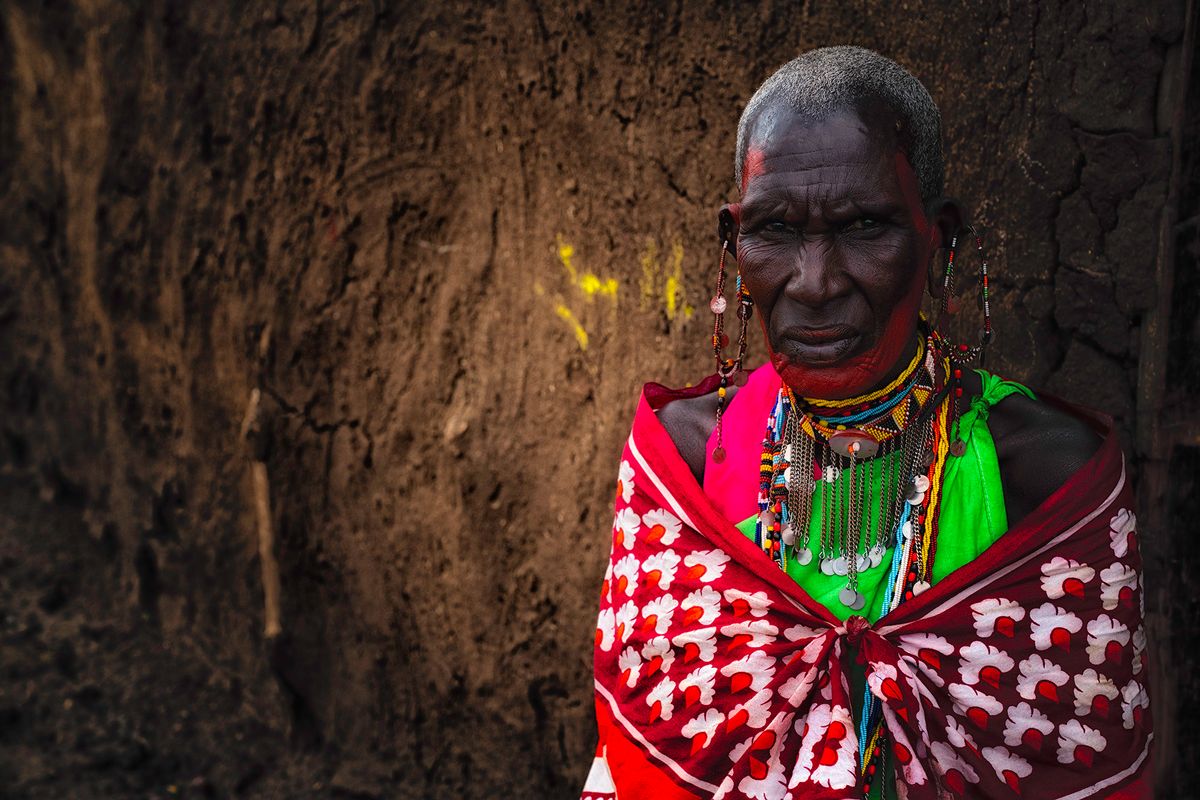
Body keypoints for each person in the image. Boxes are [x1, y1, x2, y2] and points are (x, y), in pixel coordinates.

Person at [581, 47, 1152, 800]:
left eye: (864, 226)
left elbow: (1088, 769)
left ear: (939, 236)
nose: (814, 283)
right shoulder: (684, 464)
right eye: (774, 230)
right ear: (733, 241)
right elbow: (643, 763)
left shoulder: (1048, 475)